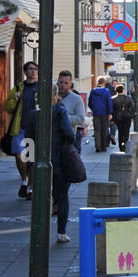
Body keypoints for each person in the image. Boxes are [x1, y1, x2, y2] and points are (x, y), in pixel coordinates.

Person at [3, 61, 40, 200]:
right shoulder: (19, 87)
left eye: (35, 69)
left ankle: (30, 186)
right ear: (25, 72)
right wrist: (15, 99)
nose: (33, 71)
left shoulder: (40, 87)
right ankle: (24, 180)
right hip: (20, 127)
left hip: (33, 128)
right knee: (20, 156)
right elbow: (8, 107)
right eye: (30, 69)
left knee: (30, 159)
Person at [50, 82, 76, 242]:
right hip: (59, 159)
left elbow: (29, 138)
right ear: (54, 96)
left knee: (42, 195)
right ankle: (61, 232)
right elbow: (69, 135)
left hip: (40, 160)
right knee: (62, 196)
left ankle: (39, 230)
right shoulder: (59, 111)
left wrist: (31, 161)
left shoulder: (34, 113)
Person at [57, 71, 87, 148]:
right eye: (61, 82)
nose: (62, 85)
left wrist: (63, 117)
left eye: (66, 83)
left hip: (68, 137)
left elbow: (81, 119)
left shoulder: (76, 99)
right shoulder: (52, 97)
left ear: (70, 84)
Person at [88, 76, 113, 152]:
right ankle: (103, 146)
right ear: (104, 83)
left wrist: (93, 109)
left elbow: (90, 102)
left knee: (97, 130)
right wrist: (110, 112)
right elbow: (109, 102)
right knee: (104, 130)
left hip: (96, 113)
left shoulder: (93, 91)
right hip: (104, 112)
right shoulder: (106, 91)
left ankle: (97, 146)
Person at [111, 84, 137, 152]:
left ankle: (120, 146)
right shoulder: (128, 98)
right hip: (127, 116)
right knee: (126, 130)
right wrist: (131, 115)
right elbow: (132, 106)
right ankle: (125, 143)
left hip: (118, 117)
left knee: (120, 131)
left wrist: (112, 118)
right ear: (123, 90)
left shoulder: (113, 99)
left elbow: (112, 109)